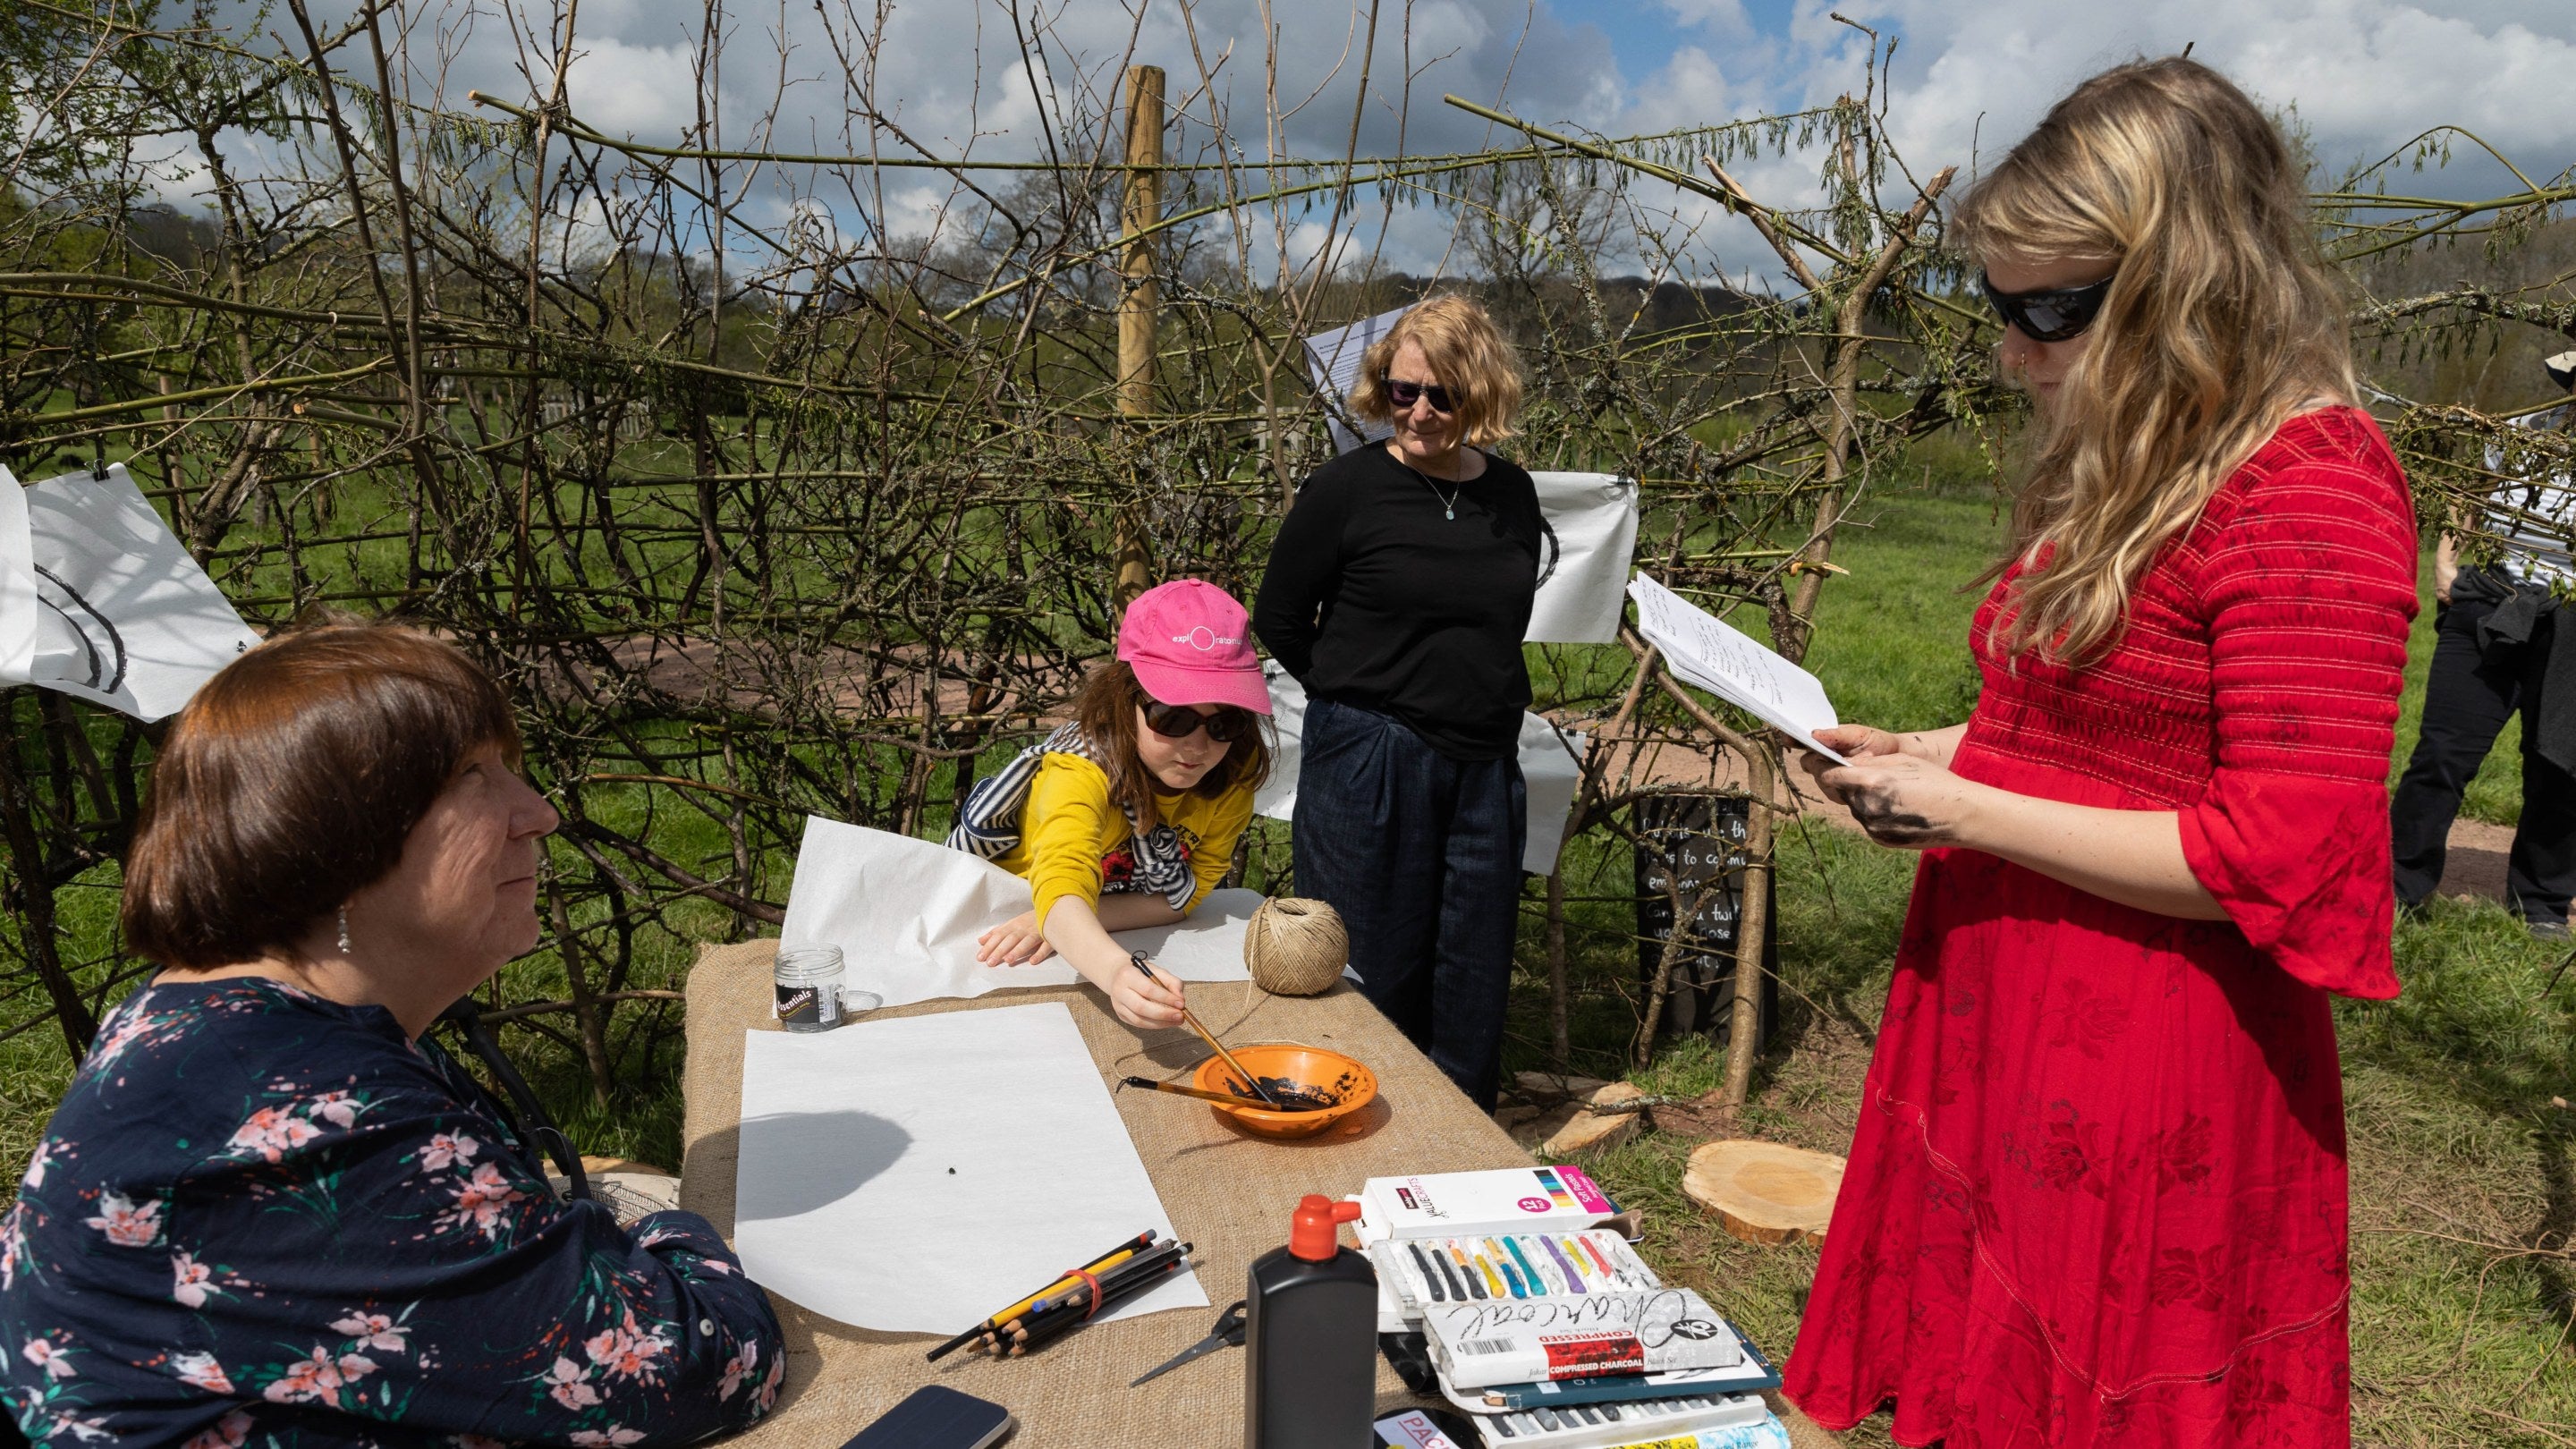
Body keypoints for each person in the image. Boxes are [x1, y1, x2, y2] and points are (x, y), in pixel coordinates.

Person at [1782, 59, 2416, 1446]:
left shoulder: (2312, 488)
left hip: (2151, 1045)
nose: (2016, 348)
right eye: (2000, 306)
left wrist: (1966, 808)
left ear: (2192, 286)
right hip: (2013, 988)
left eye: (2054, 310)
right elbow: (2095, 733)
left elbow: (2279, 853)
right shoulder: (2147, 460)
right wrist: (1939, 748)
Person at [0, 623, 785, 1448]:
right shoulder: (309, 1109)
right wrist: (681, 1231)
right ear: (338, 835)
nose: (539, 814)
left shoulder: (231, 1026)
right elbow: (699, 1370)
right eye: (472, 777)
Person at [1252, 293, 1545, 1110]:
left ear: (1478, 394)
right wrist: (1354, 698)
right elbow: (1279, 617)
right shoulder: (1345, 489)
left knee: (1472, 963)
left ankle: (1458, 1141)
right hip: (1371, 757)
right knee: (1371, 961)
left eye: (1440, 394)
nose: (1416, 411)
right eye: (1399, 389)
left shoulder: (1512, 496)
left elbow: (1500, 624)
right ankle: (1362, 1127)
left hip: (1484, 763)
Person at [951, 578, 1272, 1030]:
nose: (1199, 746)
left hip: (1065, 928)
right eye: (1172, 717)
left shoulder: (1233, 768)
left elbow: (1189, 895)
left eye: (1226, 722)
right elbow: (1063, 879)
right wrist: (1117, 971)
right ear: (1126, 701)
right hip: (1000, 935)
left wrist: (1054, 921)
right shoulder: (1078, 770)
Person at [2390, 350, 2576, 936]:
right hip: (2491, 605)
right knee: (2444, 753)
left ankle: (2541, 904)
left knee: (2560, 768)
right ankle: (2399, 884)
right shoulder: (2522, 436)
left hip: (2571, 623)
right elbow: (2467, 497)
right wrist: (2445, 567)